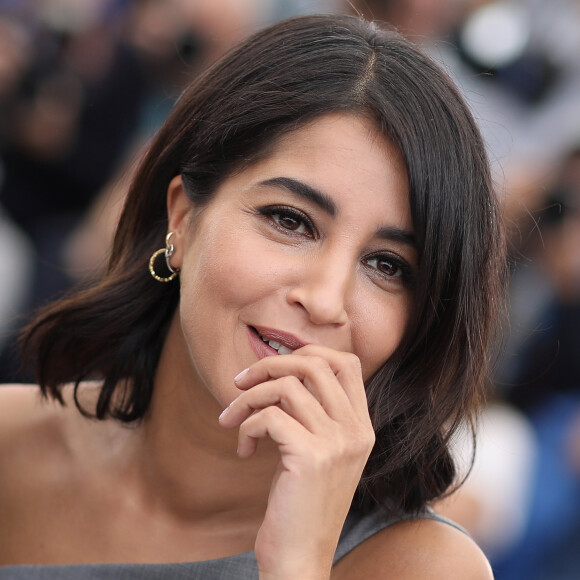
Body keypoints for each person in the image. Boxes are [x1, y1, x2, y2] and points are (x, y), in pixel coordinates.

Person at [0, 14, 505, 579]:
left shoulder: (424, 568)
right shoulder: (7, 445)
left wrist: (297, 564)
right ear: (184, 219)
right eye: (290, 221)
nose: (323, 299)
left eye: (387, 265)